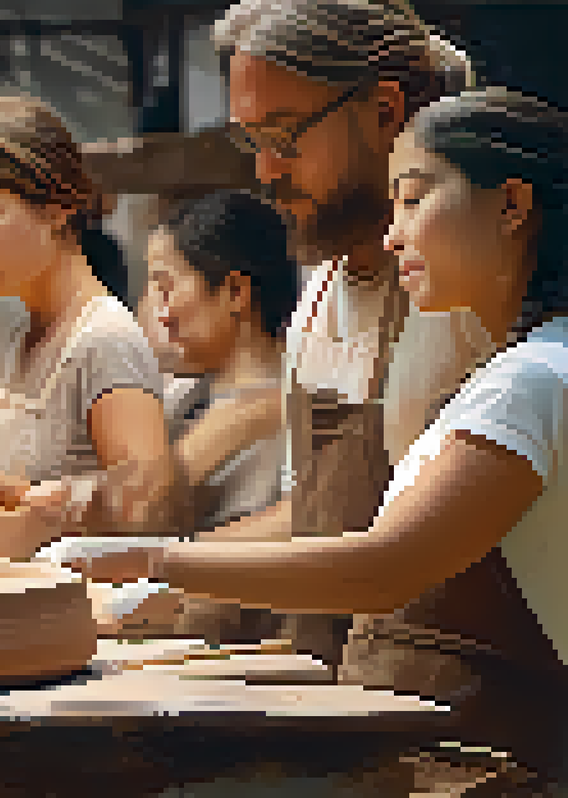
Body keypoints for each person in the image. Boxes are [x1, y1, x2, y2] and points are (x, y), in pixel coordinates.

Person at [73, 87, 568, 794]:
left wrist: (153, 562)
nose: (394, 236)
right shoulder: (528, 365)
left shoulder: (532, 379)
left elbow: (384, 568)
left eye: (415, 200)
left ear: (512, 206)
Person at [189, 0, 481, 675]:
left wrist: (164, 565)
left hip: (448, 702)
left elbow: (406, 555)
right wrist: (165, 586)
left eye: (284, 137)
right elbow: (315, 515)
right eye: (252, 143)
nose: (265, 172)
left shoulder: (468, 298)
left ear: (384, 111)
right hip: (344, 680)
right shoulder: (321, 287)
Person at [0, 93, 176, 541]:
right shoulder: (28, 334)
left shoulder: (103, 338)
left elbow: (149, 509)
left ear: (57, 209)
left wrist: (11, 491)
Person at [135, 189, 299, 642]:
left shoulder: (300, 408)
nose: (160, 314)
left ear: (234, 292)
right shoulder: (181, 395)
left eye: (166, 288)